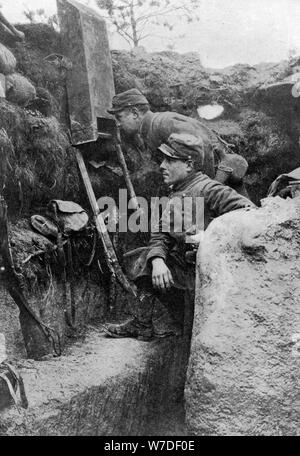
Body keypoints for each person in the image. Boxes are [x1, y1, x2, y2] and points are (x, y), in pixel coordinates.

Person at [104, 133, 256, 340]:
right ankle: (142, 325)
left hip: (211, 274)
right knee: (143, 258)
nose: (162, 166)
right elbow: (160, 234)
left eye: (170, 160)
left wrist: (209, 237)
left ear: (189, 164)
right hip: (187, 269)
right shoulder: (176, 193)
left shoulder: (209, 189)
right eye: (163, 160)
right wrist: (157, 260)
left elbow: (251, 213)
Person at [107, 88, 249, 195]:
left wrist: (205, 191)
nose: (118, 124)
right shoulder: (150, 130)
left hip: (224, 182)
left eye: (119, 117)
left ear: (135, 113)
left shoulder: (163, 123)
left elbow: (203, 146)